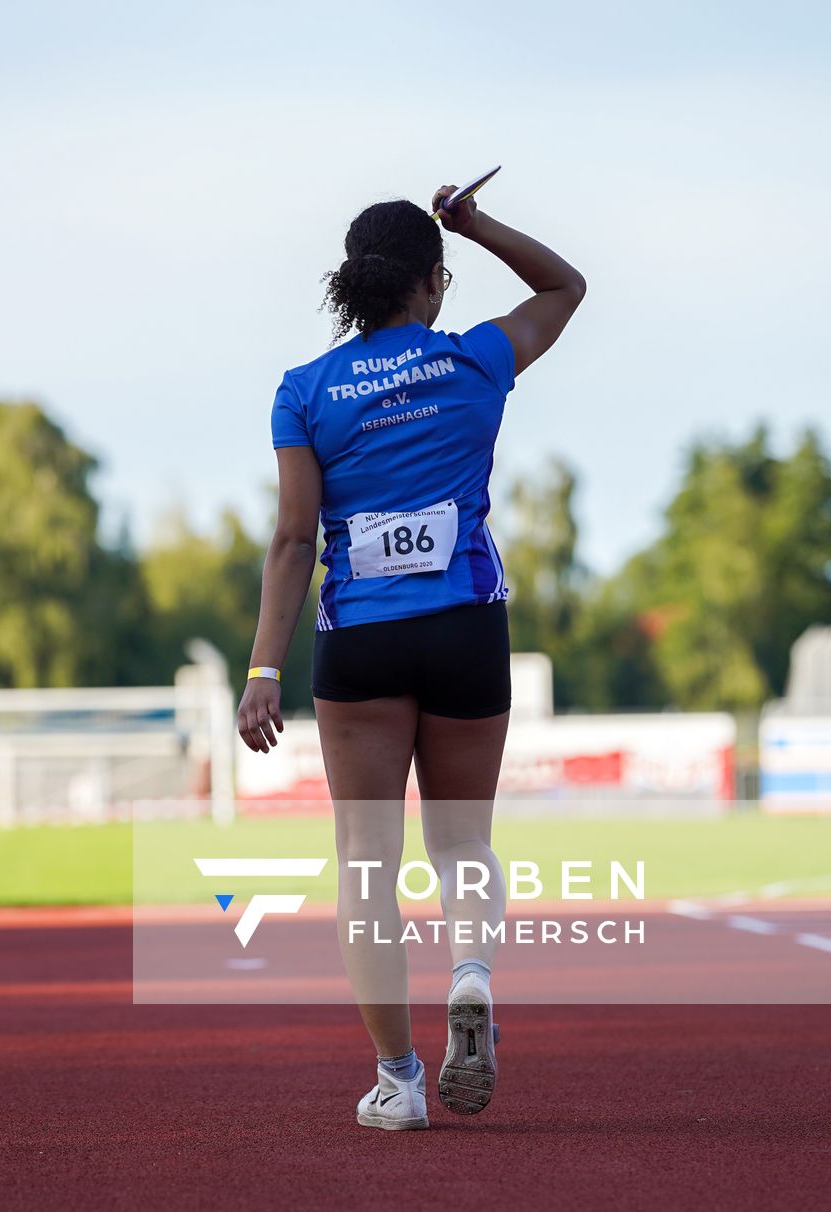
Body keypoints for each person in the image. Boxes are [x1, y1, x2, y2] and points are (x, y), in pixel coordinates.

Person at [237, 185, 584, 1129]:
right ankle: (470, 975)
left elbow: (292, 538)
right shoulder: (474, 359)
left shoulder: (304, 390)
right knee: (464, 842)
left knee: (365, 867)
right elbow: (565, 287)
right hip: (467, 623)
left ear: (352, 284)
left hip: (363, 640)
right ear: (432, 283)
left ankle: (398, 1080)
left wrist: (265, 669)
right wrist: (476, 226)